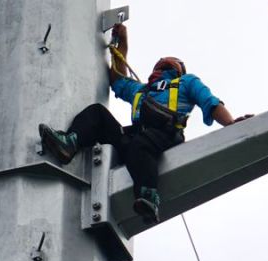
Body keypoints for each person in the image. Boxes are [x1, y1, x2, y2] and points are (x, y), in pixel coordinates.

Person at [38, 23, 251, 224]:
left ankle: (149, 195)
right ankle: (70, 143)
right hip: (136, 140)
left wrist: (231, 123)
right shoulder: (141, 90)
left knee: (141, 143)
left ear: (178, 69)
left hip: (165, 136)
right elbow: (118, 80)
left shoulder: (186, 82)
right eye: (158, 63)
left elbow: (210, 103)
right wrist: (123, 45)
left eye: (167, 62)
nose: (160, 63)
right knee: (98, 114)